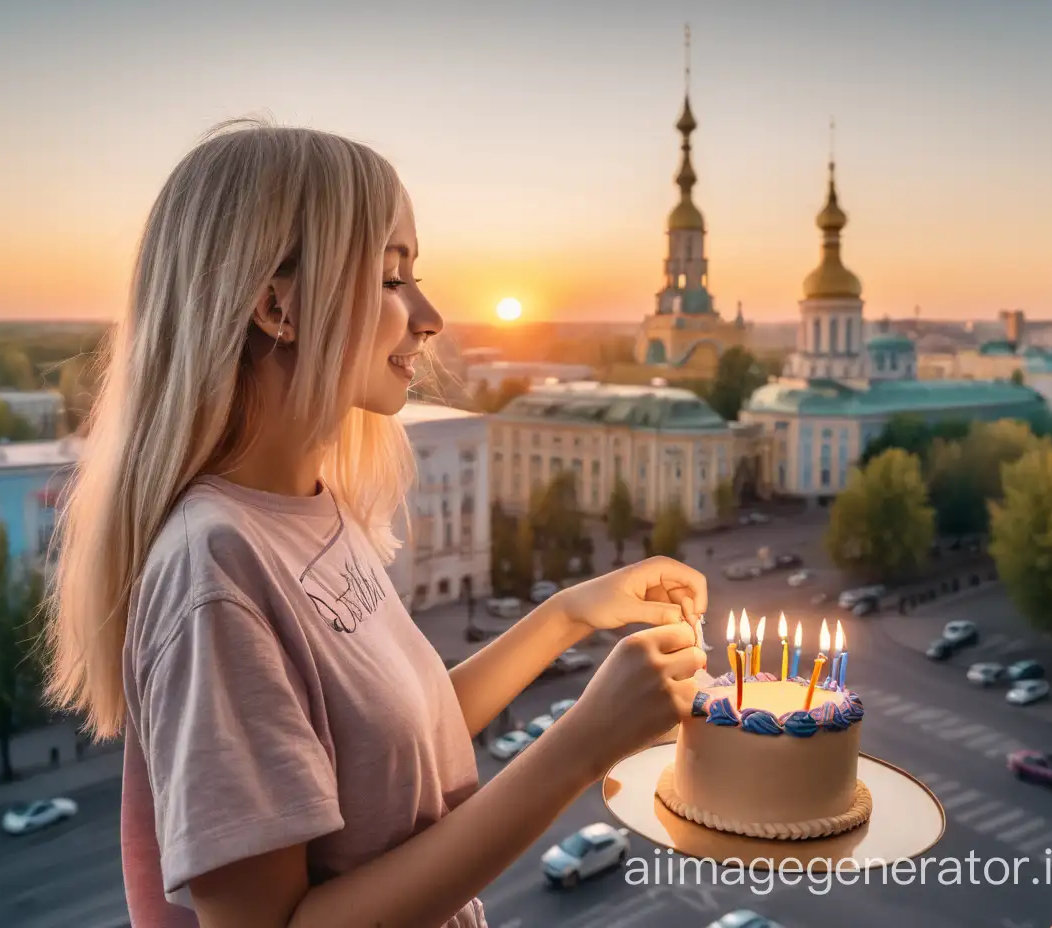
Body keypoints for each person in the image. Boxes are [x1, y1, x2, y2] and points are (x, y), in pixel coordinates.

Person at [46, 121, 708, 928]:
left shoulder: (310, 506)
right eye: (393, 279)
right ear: (275, 306)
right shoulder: (214, 571)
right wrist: (582, 743)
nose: (428, 317)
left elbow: (394, 744)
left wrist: (567, 615)